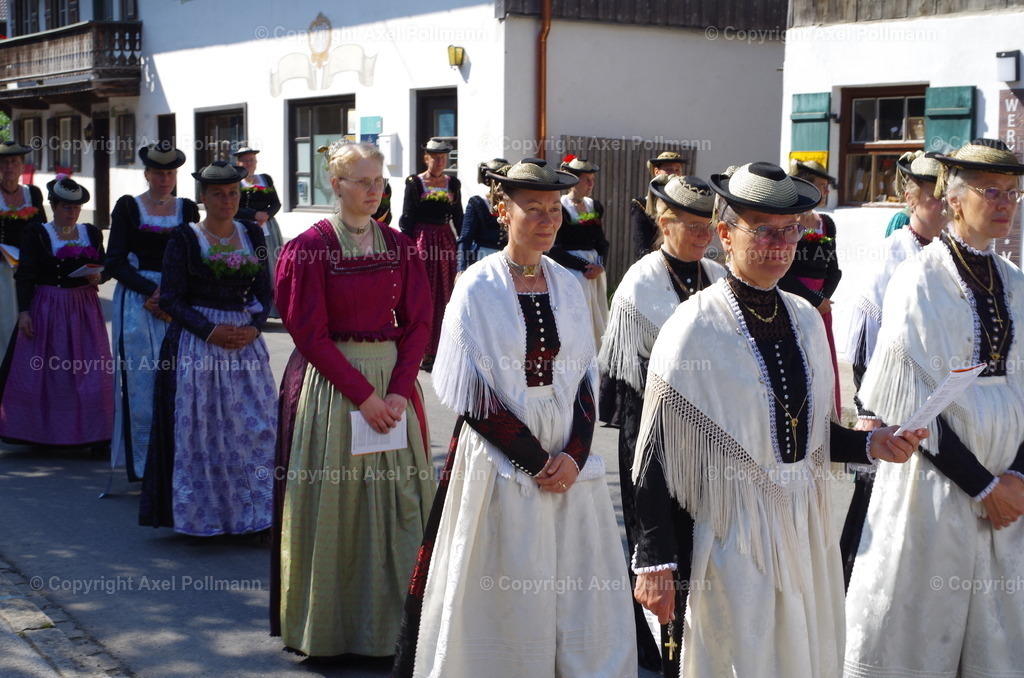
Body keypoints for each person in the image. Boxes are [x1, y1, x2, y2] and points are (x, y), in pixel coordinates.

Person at [631, 162, 925, 678]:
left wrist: (872, 443)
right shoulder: (693, 326)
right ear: (725, 234)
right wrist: (655, 560)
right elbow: (657, 453)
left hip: (803, 528)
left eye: (791, 230)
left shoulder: (806, 317)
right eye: (764, 230)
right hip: (732, 534)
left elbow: (808, 437)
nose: (781, 244)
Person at [393, 158, 637, 678]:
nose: (548, 220)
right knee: (504, 578)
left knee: (573, 580)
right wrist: (535, 460)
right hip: (500, 455)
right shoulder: (477, 286)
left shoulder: (567, 284)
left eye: (554, 209)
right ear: (503, 212)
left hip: (565, 455)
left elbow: (583, 377)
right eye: (534, 209)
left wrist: (574, 456)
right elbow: (472, 391)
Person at [845, 139, 1024, 677]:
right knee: (922, 634)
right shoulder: (919, 278)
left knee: (998, 637)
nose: (1005, 203)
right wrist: (983, 486)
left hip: (1009, 491)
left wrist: (1015, 477)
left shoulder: (1016, 283)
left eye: (1012, 192)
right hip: (937, 486)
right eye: (991, 191)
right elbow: (912, 404)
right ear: (954, 198)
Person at [272, 142, 434, 657]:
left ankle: (397, 633)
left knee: (400, 505)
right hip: (335, 388)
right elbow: (310, 334)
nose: (373, 190)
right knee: (337, 507)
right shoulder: (310, 248)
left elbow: (419, 323)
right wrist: (364, 397)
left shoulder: (401, 246)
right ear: (336, 185)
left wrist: (398, 390)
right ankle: (333, 630)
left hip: (392, 385)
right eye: (362, 181)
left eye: (378, 181)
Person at [599, 174, 725, 676]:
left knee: (705, 547)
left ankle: (702, 647)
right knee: (662, 546)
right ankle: (661, 652)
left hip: (711, 435)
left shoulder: (717, 274)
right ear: (664, 223)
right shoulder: (641, 283)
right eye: (692, 226)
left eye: (708, 225)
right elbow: (634, 388)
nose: (704, 235)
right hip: (655, 434)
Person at [138, 161, 275, 537]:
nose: (227, 201)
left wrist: (253, 329)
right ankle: (207, 516)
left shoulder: (251, 233)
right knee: (204, 431)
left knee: (255, 428)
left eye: (233, 193)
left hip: (243, 345)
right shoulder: (185, 238)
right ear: (203, 198)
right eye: (218, 194)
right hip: (197, 346)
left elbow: (264, 291)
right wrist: (209, 331)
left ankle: (255, 513)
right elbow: (171, 298)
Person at [838, 149, 945, 586]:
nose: (944, 205)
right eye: (934, 196)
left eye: (948, 196)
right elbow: (867, 342)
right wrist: (871, 409)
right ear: (910, 198)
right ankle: (852, 584)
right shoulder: (893, 255)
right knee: (875, 500)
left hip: (936, 394)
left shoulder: (947, 254)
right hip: (891, 397)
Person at [107, 142, 199, 482]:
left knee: (182, 383)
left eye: (170, 173)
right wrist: (152, 291)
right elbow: (114, 261)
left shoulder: (187, 209)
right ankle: (146, 467)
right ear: (146, 174)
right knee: (142, 382)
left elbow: (196, 258)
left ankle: (181, 462)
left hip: (178, 303)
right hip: (139, 302)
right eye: (158, 173)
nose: (164, 179)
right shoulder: (128, 208)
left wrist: (173, 296)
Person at [0, 176, 112, 449]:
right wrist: (24, 312)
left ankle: (93, 433)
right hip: (48, 308)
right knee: (49, 372)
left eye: (76, 207)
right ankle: (44, 433)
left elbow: (106, 265)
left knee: (88, 371)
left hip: (84, 309)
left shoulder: (90, 233)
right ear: (53, 206)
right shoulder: (38, 234)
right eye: (66, 207)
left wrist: (98, 276)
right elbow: (25, 275)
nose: (72, 213)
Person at [780, 159, 842, 411]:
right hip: (793, 304)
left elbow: (835, 271)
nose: (826, 191)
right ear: (806, 187)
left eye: (827, 186)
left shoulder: (826, 223)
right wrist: (813, 300)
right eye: (822, 185)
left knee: (822, 361)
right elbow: (783, 274)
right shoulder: (787, 222)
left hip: (822, 307)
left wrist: (823, 300)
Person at [398, 137, 463, 371]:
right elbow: (407, 218)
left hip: (445, 243)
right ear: (426, 158)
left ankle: (444, 349)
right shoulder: (414, 183)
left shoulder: (453, 184)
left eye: (443, 158)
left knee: (446, 296)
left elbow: (459, 217)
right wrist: (406, 249)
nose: (439, 162)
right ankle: (421, 350)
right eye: (435, 158)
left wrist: (464, 246)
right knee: (423, 295)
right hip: (423, 242)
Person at [548, 155, 609, 351]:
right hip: (571, 269)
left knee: (597, 311)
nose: (590, 184)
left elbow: (602, 242)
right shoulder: (561, 207)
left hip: (594, 270)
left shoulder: (594, 206)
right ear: (573, 181)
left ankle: (597, 352)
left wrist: (600, 265)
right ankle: (575, 350)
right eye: (586, 180)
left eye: (592, 180)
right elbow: (554, 249)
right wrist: (582, 267)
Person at [0, 141, 46, 361]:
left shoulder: (33, 193)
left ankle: (26, 370)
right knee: (6, 320)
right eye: (4, 162)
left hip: (28, 270)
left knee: (30, 319)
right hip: (2, 271)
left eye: (14, 161)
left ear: (22, 166)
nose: (9, 166)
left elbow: (42, 229)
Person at [232, 144, 283, 319]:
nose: (249, 163)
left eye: (251, 160)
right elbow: (234, 208)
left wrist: (266, 215)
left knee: (270, 266)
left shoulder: (265, 179)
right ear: (238, 163)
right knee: (251, 266)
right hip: (244, 228)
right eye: (245, 161)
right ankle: (251, 307)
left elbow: (276, 203)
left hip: (267, 227)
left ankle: (272, 308)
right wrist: (254, 215)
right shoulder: (236, 183)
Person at [456, 158, 508, 274]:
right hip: (481, 258)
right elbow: (465, 238)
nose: (500, 184)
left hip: (506, 258)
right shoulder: (477, 203)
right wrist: (461, 269)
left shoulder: (512, 204)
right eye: (496, 179)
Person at [631, 151, 686, 259]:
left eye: (677, 169)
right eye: (669, 169)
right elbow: (641, 245)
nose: (674, 174)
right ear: (656, 172)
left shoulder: (685, 204)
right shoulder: (642, 205)